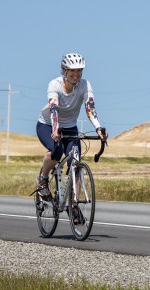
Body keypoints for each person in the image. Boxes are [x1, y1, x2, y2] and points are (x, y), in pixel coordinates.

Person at [35, 53, 107, 213]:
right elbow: (54, 109)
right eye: (72, 70)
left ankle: (73, 205)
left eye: (79, 70)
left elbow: (90, 108)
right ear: (64, 71)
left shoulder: (85, 85)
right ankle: (43, 179)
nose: (76, 74)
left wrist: (98, 128)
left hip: (70, 127)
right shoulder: (54, 85)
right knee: (56, 151)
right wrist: (55, 129)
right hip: (47, 124)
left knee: (76, 163)